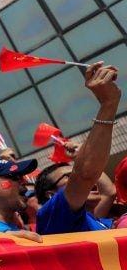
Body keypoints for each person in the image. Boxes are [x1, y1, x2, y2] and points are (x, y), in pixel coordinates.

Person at [32, 62, 121, 234]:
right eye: (69, 176)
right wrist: (108, 103)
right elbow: (85, 175)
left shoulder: (95, 218)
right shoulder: (52, 216)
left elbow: (109, 191)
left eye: (74, 171)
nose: (93, 181)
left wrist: (80, 156)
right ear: (51, 195)